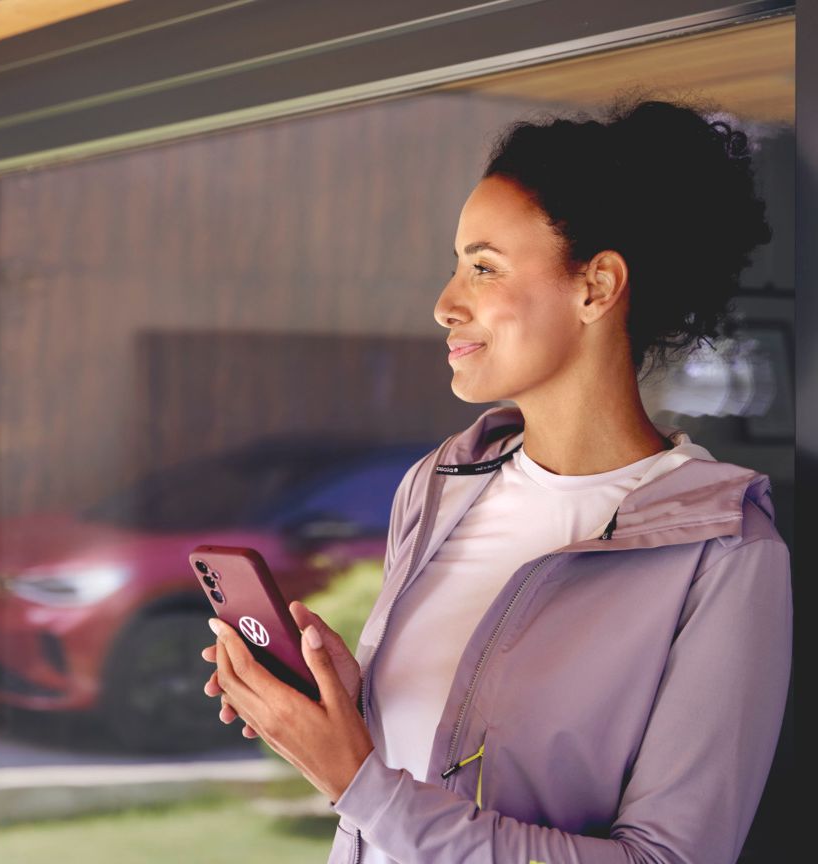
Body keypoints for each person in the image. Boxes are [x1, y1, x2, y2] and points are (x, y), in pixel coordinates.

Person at [200, 95, 793, 864]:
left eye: (483, 268)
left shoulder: (724, 551)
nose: (446, 305)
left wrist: (355, 779)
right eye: (455, 268)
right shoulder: (441, 485)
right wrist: (352, 711)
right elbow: (414, 782)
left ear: (596, 287)